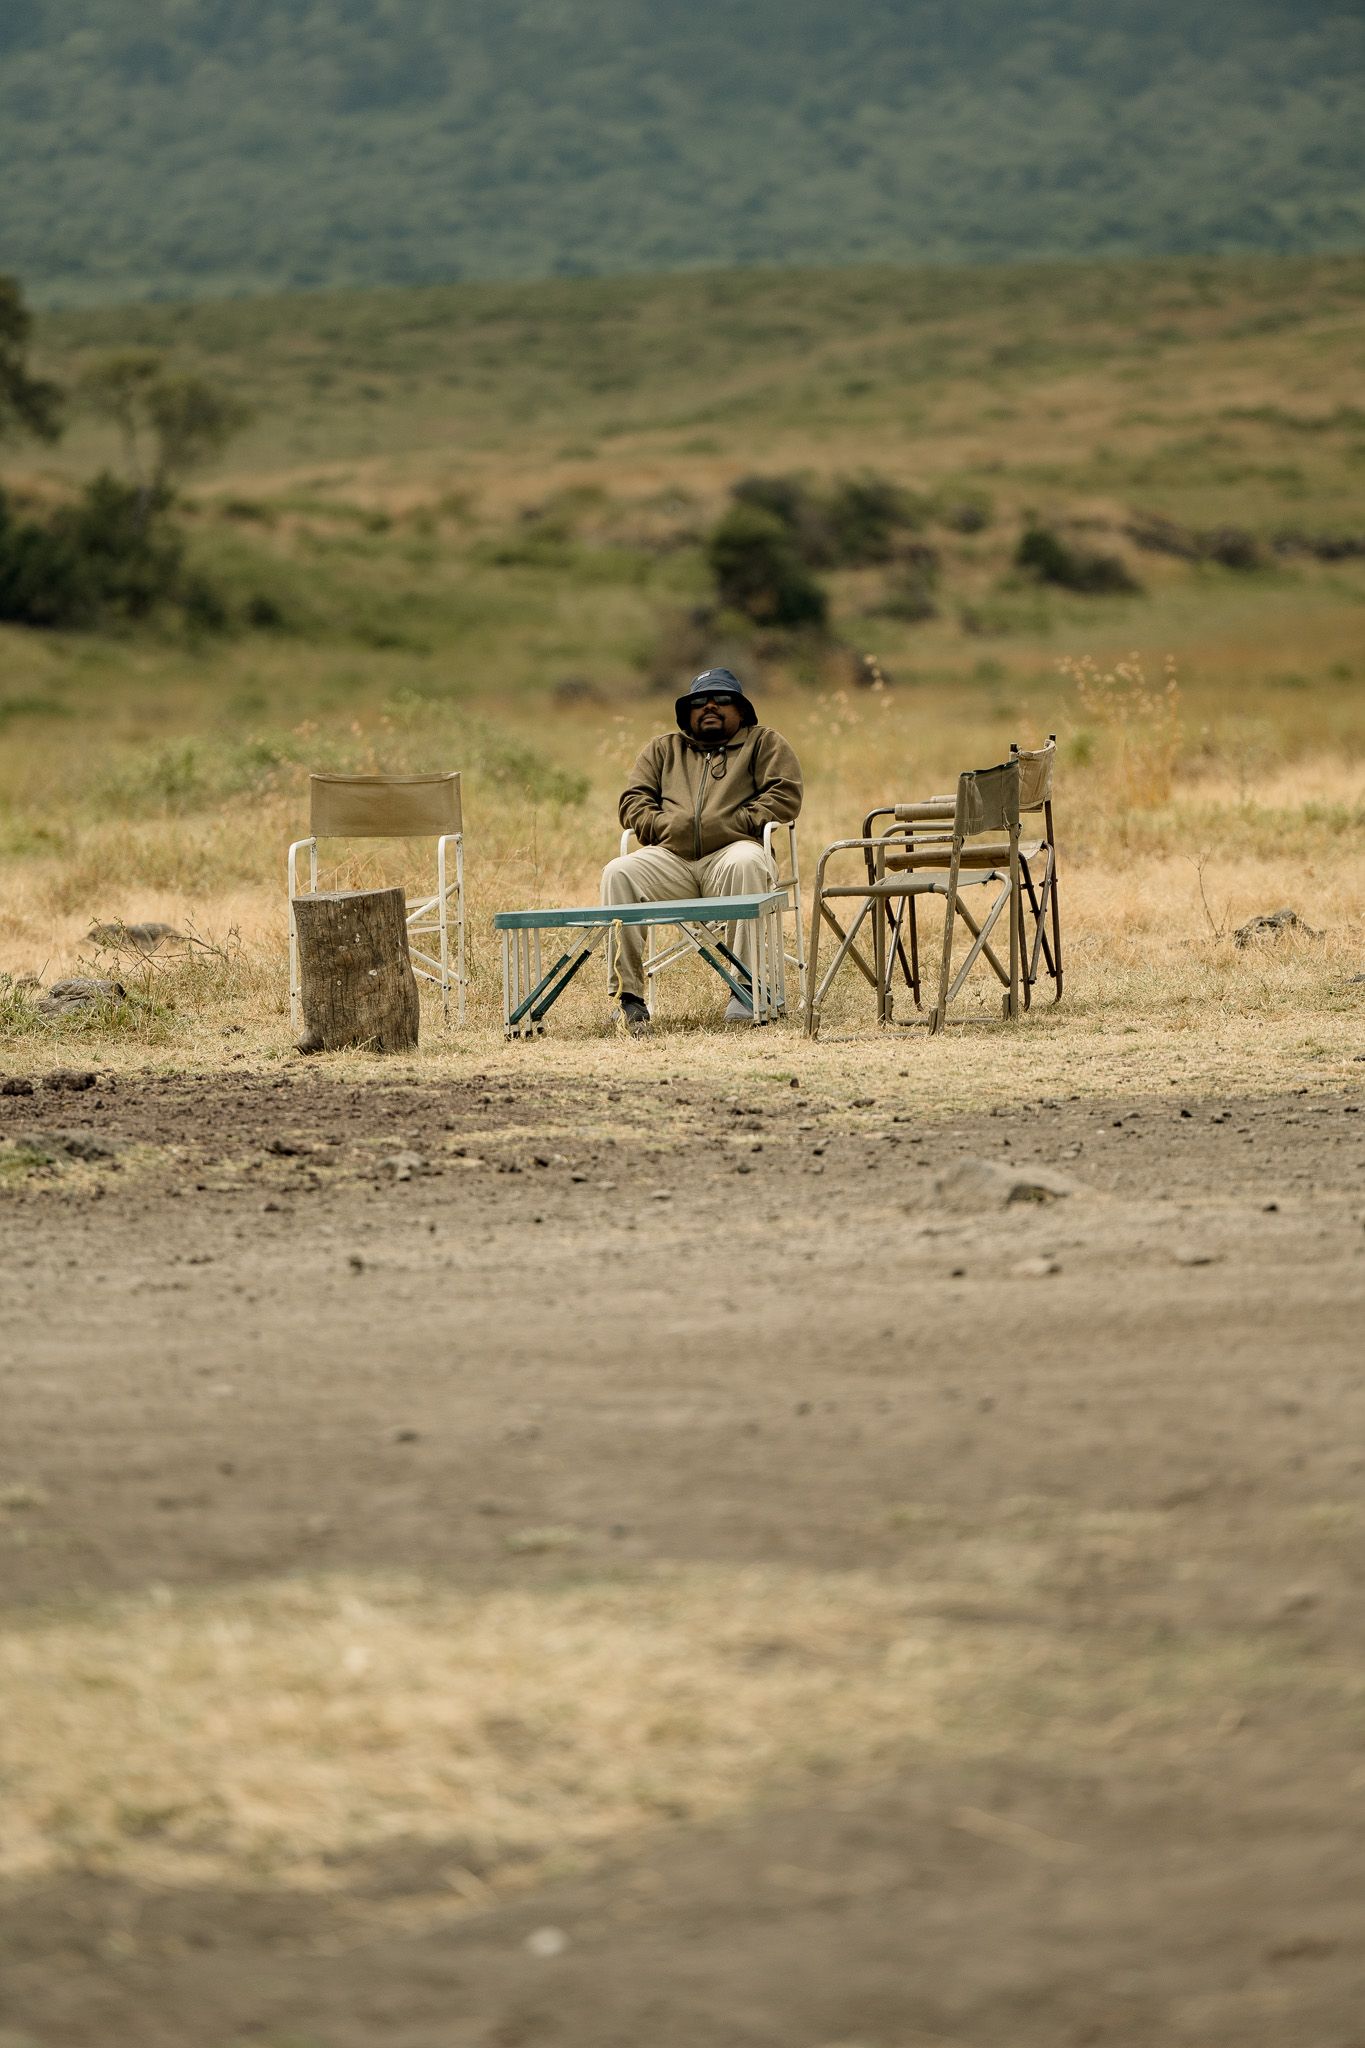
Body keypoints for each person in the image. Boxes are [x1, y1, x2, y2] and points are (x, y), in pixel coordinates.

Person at [601, 668, 803, 1032]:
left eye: (722, 699)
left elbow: (784, 796)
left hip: (732, 853)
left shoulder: (764, 743)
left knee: (747, 862)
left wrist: (734, 823)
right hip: (671, 859)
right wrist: (665, 826)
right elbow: (633, 803)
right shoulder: (663, 750)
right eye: (699, 701)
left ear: (741, 710)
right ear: (687, 713)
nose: (709, 705)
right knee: (619, 870)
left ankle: (747, 989)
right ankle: (628, 998)